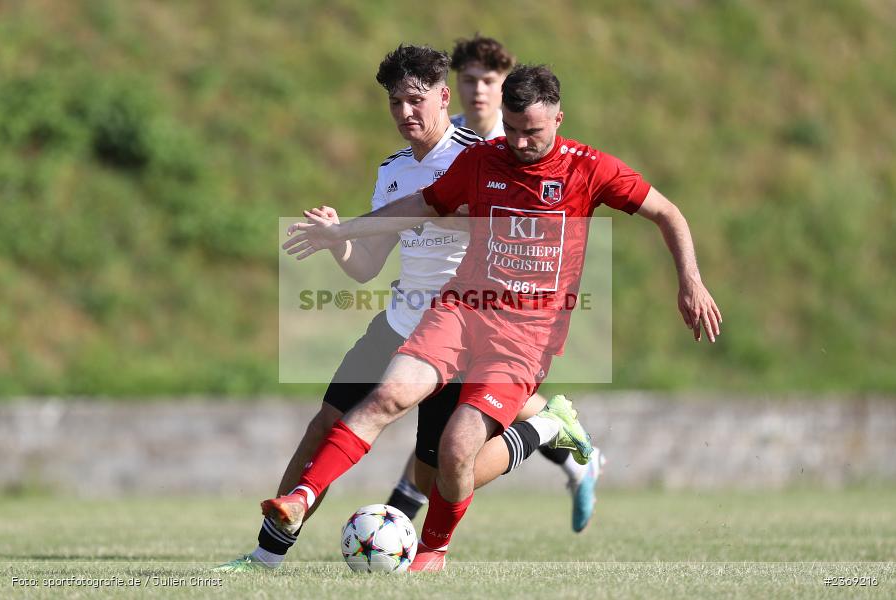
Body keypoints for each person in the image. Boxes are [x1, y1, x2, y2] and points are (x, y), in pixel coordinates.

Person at [269, 64, 722, 572]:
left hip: (526, 337)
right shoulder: (482, 160)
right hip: (460, 311)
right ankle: (302, 499)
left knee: (455, 448)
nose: (522, 142)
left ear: (558, 119)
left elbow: (669, 213)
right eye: (512, 129)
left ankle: (444, 538)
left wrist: (691, 280)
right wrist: (344, 232)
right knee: (388, 395)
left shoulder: (589, 168)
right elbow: (421, 205)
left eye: (534, 131)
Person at [214, 45, 593, 573]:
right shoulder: (391, 170)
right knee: (324, 426)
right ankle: (265, 555)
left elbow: (509, 225)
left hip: (461, 332)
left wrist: (430, 215)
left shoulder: (482, 156)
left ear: (443, 97)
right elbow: (368, 265)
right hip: (399, 321)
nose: (405, 113)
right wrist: (337, 241)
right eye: (395, 102)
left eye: (416, 100)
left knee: (444, 470)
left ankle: (541, 430)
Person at [450, 34, 605, 526]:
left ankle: (415, 537)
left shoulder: (521, 141)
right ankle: (560, 437)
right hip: (448, 299)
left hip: (514, 315)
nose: (478, 91)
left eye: (488, 81)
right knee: (423, 423)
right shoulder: (444, 143)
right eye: (468, 80)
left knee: (444, 450)